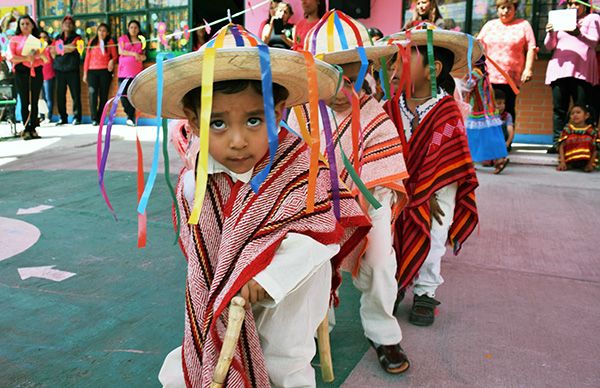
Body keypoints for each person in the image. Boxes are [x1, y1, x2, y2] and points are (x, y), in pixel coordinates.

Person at [126, 24, 370, 387]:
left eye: (255, 120)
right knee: (192, 361)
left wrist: (265, 276)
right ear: (193, 124)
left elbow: (320, 234)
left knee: (284, 359)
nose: (238, 141)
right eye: (218, 123)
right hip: (225, 289)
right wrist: (231, 277)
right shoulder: (196, 180)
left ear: (280, 110)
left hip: (293, 284)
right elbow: (202, 252)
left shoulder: (301, 165)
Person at [290, 10, 410, 374]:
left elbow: (380, 184)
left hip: (367, 205)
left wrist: (358, 215)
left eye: (352, 76)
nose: (344, 90)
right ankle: (314, 327)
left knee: (379, 261)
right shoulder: (301, 116)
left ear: (366, 70)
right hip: (314, 208)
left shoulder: (376, 118)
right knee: (308, 262)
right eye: (331, 77)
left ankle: (383, 332)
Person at [382, 25, 481, 326]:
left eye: (402, 60)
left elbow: (452, 160)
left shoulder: (447, 110)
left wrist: (427, 191)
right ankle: (396, 281)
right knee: (389, 234)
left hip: (438, 188)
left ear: (432, 69)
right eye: (393, 61)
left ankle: (425, 290)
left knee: (436, 231)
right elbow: (383, 153)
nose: (393, 68)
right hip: (398, 188)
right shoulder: (389, 108)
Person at [544, 1, 600, 153]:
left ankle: (583, 144)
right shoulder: (561, 19)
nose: (572, 7)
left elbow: (594, 42)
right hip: (559, 69)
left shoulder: (592, 18)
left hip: (581, 70)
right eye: (569, 3)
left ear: (585, 5)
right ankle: (558, 144)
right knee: (559, 109)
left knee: (581, 108)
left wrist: (577, 33)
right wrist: (550, 32)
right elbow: (549, 46)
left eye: (576, 3)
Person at [477, 0, 536, 131]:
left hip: (510, 77)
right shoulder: (489, 25)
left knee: (507, 109)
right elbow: (478, 46)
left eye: (509, 8)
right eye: (502, 8)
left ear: (515, 9)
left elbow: (532, 47)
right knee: (488, 109)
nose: (505, 11)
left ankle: (506, 141)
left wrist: (528, 69)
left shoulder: (523, 25)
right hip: (489, 76)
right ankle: (490, 139)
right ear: (497, 9)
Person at [464, 59, 510, 174]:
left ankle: (470, 163)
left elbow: (467, 86)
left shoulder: (474, 73)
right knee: (490, 136)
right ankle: (499, 159)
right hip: (487, 110)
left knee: (472, 137)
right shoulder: (484, 74)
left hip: (477, 111)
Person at [9, 15, 47, 140]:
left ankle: (33, 127)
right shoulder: (14, 39)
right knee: (24, 100)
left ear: (32, 25)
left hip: (36, 70)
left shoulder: (38, 40)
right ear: (19, 26)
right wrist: (26, 58)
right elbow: (11, 57)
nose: (25, 26)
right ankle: (26, 128)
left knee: (35, 100)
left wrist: (37, 55)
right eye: (22, 24)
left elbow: (45, 58)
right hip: (21, 71)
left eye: (27, 23)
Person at [83, 23, 117, 126]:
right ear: (97, 31)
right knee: (92, 94)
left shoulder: (110, 42)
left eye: (104, 31)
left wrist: (112, 60)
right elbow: (87, 59)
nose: (101, 32)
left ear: (107, 33)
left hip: (104, 72)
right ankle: (93, 118)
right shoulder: (92, 42)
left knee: (103, 95)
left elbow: (115, 56)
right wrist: (85, 73)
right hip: (92, 72)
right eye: (100, 30)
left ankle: (99, 118)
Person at [51, 15, 82, 125]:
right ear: (62, 26)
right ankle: (62, 117)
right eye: (65, 23)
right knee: (60, 95)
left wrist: (60, 49)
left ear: (73, 26)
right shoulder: (57, 37)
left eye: (70, 23)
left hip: (72, 69)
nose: (67, 25)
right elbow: (52, 51)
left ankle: (77, 117)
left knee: (75, 94)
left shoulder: (77, 37)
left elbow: (73, 47)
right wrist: (65, 49)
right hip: (59, 69)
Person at [118, 20, 146, 126]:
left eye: (135, 27)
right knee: (123, 94)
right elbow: (121, 51)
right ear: (128, 28)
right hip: (123, 72)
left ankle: (131, 117)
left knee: (133, 94)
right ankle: (129, 115)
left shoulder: (142, 41)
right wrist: (134, 54)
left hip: (136, 72)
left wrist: (141, 57)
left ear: (138, 29)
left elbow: (144, 55)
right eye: (131, 27)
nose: (133, 30)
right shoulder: (122, 39)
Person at [557, 104, 599, 172]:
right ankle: (570, 163)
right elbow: (561, 146)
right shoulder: (567, 130)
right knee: (571, 138)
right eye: (572, 113)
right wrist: (562, 162)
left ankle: (586, 165)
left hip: (586, 161)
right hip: (569, 161)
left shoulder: (592, 131)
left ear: (586, 115)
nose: (575, 115)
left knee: (587, 139)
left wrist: (590, 164)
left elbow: (596, 148)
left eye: (578, 112)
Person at [39, 30, 55, 124]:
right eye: (41, 37)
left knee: (49, 97)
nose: (43, 39)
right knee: (41, 98)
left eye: (45, 37)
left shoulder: (49, 48)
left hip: (48, 75)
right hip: (39, 76)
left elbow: (51, 59)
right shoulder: (37, 49)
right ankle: (41, 116)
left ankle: (48, 117)